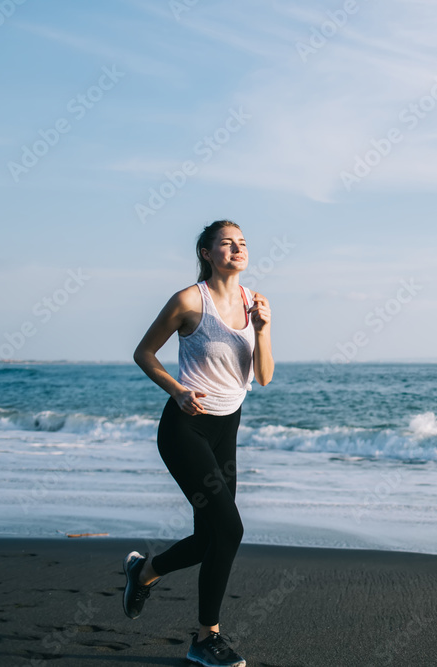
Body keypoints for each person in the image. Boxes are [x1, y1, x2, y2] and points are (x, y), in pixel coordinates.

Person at [125, 220, 274, 667]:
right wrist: (176, 389)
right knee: (229, 530)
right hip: (185, 428)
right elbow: (144, 353)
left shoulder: (255, 303)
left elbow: (263, 378)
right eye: (227, 243)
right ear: (207, 253)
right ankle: (206, 637)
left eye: (242, 243)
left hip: (226, 429)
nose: (237, 249)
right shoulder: (190, 300)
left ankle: (143, 571)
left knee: (211, 536)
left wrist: (263, 328)